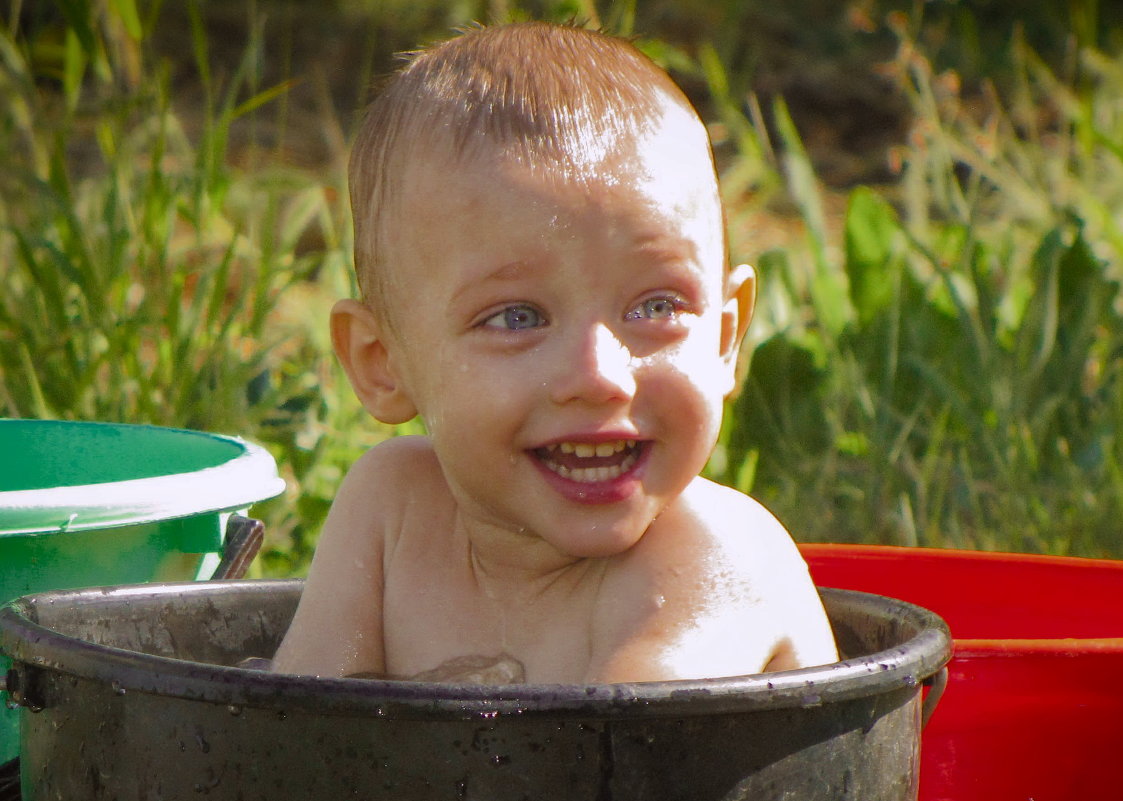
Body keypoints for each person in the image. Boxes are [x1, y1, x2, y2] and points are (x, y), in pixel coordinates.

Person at [271, 21, 837, 683]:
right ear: (381, 362)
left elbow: (611, 766)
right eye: (517, 317)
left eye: (654, 307)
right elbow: (290, 730)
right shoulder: (391, 513)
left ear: (724, 336)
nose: (598, 376)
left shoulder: (710, 556)